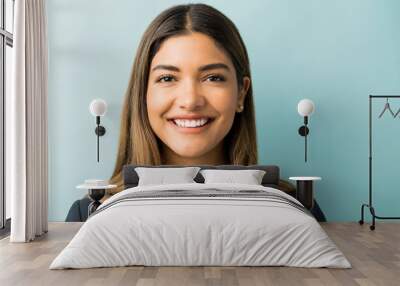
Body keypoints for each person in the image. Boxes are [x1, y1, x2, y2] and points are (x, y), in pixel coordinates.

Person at [66, 3, 326, 222]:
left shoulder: (300, 209)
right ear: (143, 94)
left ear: (241, 94)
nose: (190, 101)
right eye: (167, 78)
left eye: (213, 77)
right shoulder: (88, 213)